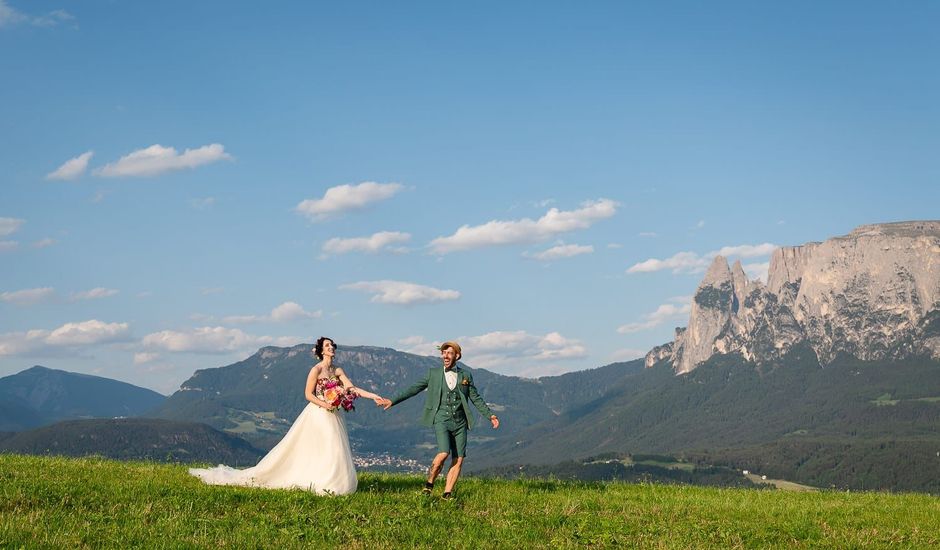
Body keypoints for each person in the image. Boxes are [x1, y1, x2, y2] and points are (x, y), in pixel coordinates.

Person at [189, 336, 386, 495]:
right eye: (328, 345)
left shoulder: (338, 370)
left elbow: (351, 388)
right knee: (324, 446)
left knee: (334, 448)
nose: (332, 347)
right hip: (318, 413)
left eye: (332, 345)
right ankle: (322, 482)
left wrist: (374, 396)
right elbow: (308, 394)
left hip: (334, 414)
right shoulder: (316, 370)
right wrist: (325, 403)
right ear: (321, 351)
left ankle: (333, 483)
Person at [378, 341, 499, 499]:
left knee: (459, 458)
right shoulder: (433, 373)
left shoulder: (465, 375)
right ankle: (429, 483)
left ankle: (447, 493)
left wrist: (490, 415)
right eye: (443, 353)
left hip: (460, 422)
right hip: (441, 419)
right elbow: (413, 389)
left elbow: (475, 398)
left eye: (449, 353)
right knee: (443, 453)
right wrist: (393, 401)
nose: (445, 356)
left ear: (457, 355)